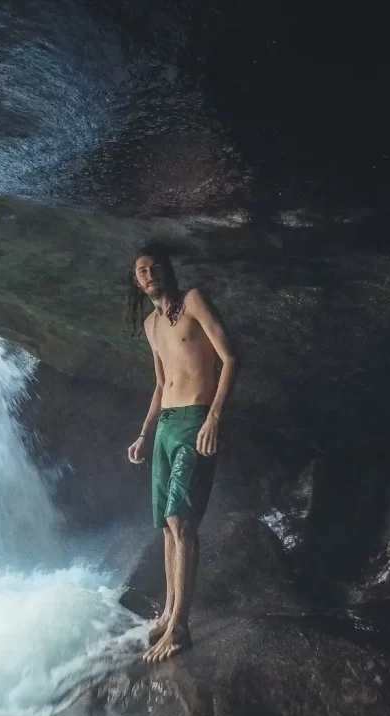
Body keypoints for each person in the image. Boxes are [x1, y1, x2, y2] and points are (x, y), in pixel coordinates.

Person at [125, 241, 237, 663]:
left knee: (180, 519)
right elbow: (160, 384)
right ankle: (170, 611)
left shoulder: (194, 300)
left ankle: (181, 630)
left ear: (167, 271)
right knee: (165, 526)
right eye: (142, 271)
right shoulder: (151, 327)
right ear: (137, 282)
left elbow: (230, 358)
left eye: (155, 268)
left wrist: (214, 419)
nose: (149, 275)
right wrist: (143, 434)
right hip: (166, 427)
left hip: (195, 419)